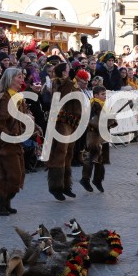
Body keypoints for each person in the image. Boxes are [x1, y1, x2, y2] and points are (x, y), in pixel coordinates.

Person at [0, 67, 33, 216]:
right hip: (6, 145)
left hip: (15, 143)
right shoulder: (5, 98)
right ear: (10, 79)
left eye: (22, 76)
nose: (22, 80)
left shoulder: (17, 97)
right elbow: (0, 123)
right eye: (19, 77)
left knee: (11, 176)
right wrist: (9, 138)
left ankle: (5, 203)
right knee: (12, 176)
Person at [46, 63, 85, 201]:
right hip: (62, 121)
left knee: (69, 153)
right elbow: (61, 98)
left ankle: (66, 185)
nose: (71, 72)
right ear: (63, 73)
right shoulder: (58, 83)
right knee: (60, 152)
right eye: (69, 70)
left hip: (72, 121)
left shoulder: (70, 83)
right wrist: (70, 82)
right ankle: (55, 186)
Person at [80, 85, 116, 193]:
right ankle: (85, 179)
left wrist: (111, 118)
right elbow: (92, 121)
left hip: (102, 135)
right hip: (93, 136)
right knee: (90, 158)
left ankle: (97, 180)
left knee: (101, 159)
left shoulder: (104, 105)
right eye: (102, 94)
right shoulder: (93, 105)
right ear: (95, 95)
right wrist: (106, 120)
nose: (105, 96)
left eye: (105, 94)